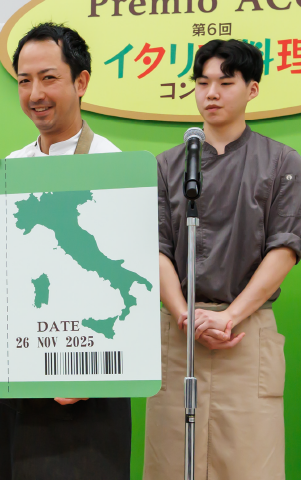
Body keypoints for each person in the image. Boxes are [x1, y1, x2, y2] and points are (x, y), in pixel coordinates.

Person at [0, 23, 130, 480]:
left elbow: (130, 284)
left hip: (88, 383)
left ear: (81, 81)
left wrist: (94, 371)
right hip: (17, 375)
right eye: (24, 80)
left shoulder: (116, 169)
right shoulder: (9, 169)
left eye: (49, 78)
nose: (35, 93)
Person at [144, 39, 299, 480]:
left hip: (244, 335)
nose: (211, 93)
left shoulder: (282, 162)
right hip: (180, 337)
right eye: (202, 82)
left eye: (226, 83)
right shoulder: (165, 166)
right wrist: (184, 315)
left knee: (250, 465)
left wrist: (229, 316)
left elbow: (285, 248)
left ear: (252, 89)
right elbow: (155, 247)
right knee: (171, 465)